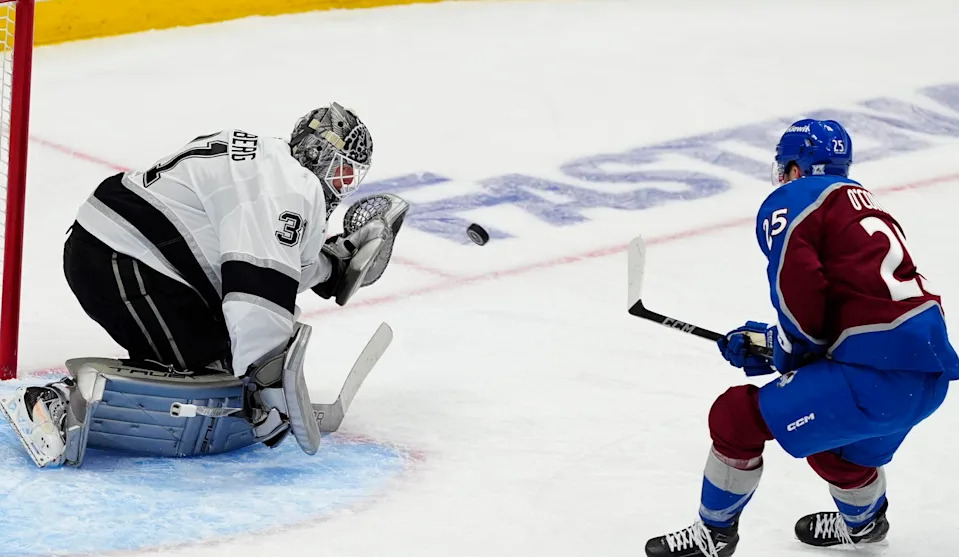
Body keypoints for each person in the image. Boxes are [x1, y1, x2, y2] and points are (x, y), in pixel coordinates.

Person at [1, 102, 408, 468]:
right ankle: (52, 402)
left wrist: (330, 266)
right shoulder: (287, 185)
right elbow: (256, 293)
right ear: (317, 153)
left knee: (227, 366)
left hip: (123, 251)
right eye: (342, 170)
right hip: (123, 258)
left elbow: (268, 263)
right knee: (214, 379)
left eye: (351, 177)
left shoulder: (272, 166)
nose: (341, 184)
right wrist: (265, 384)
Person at [644, 119, 959, 557]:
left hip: (876, 378)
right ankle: (864, 525)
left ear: (795, 168)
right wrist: (772, 343)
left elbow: (802, 291)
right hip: (927, 378)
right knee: (835, 450)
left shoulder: (795, 199)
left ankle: (712, 536)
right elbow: (856, 308)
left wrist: (786, 349)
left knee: (736, 415)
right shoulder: (862, 204)